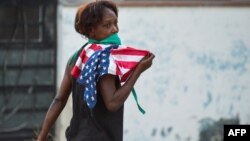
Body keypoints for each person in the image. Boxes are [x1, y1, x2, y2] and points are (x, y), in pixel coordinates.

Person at [37, 0, 155, 141]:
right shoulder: (104, 58)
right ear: (91, 30)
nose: (115, 29)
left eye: (116, 23)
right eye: (107, 25)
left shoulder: (77, 58)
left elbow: (58, 100)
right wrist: (138, 71)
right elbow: (112, 103)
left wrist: (41, 138)